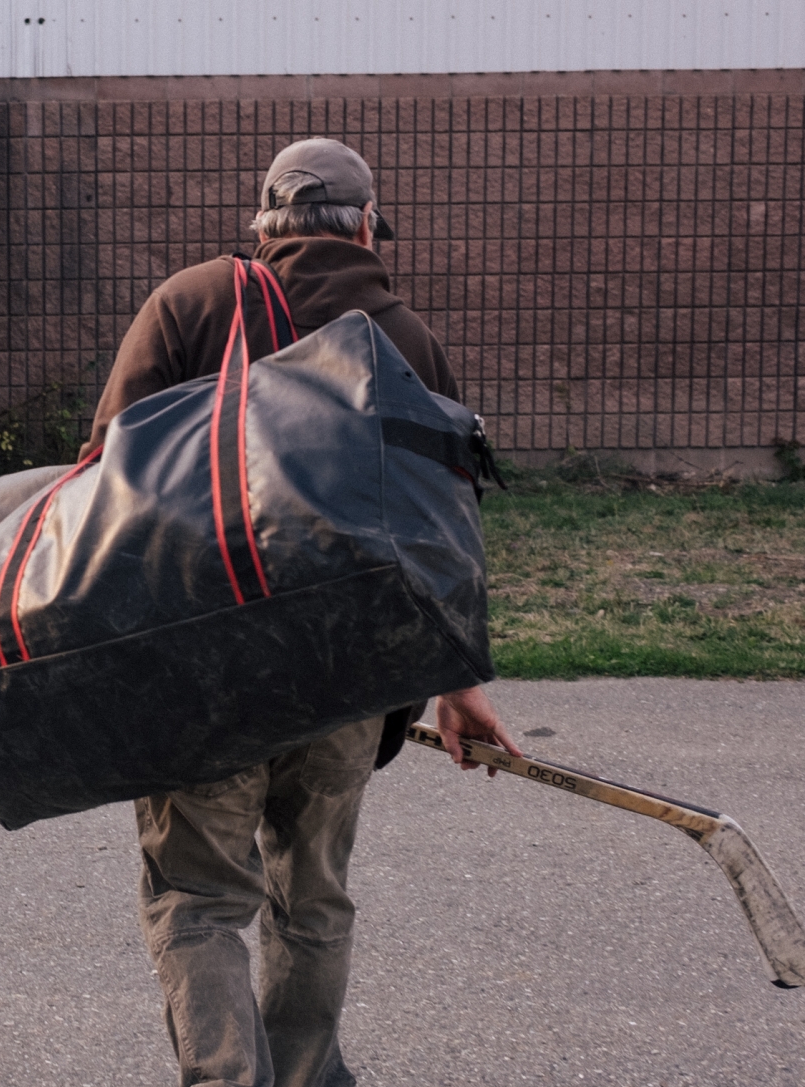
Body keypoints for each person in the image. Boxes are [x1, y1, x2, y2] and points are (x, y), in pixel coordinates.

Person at [84, 138, 527, 1087]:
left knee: (199, 900)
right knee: (313, 899)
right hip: (349, 685)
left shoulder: (193, 303)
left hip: (203, 680)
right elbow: (442, 539)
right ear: (367, 228)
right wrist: (457, 685)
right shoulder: (408, 342)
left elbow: (104, 483)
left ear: (263, 227)